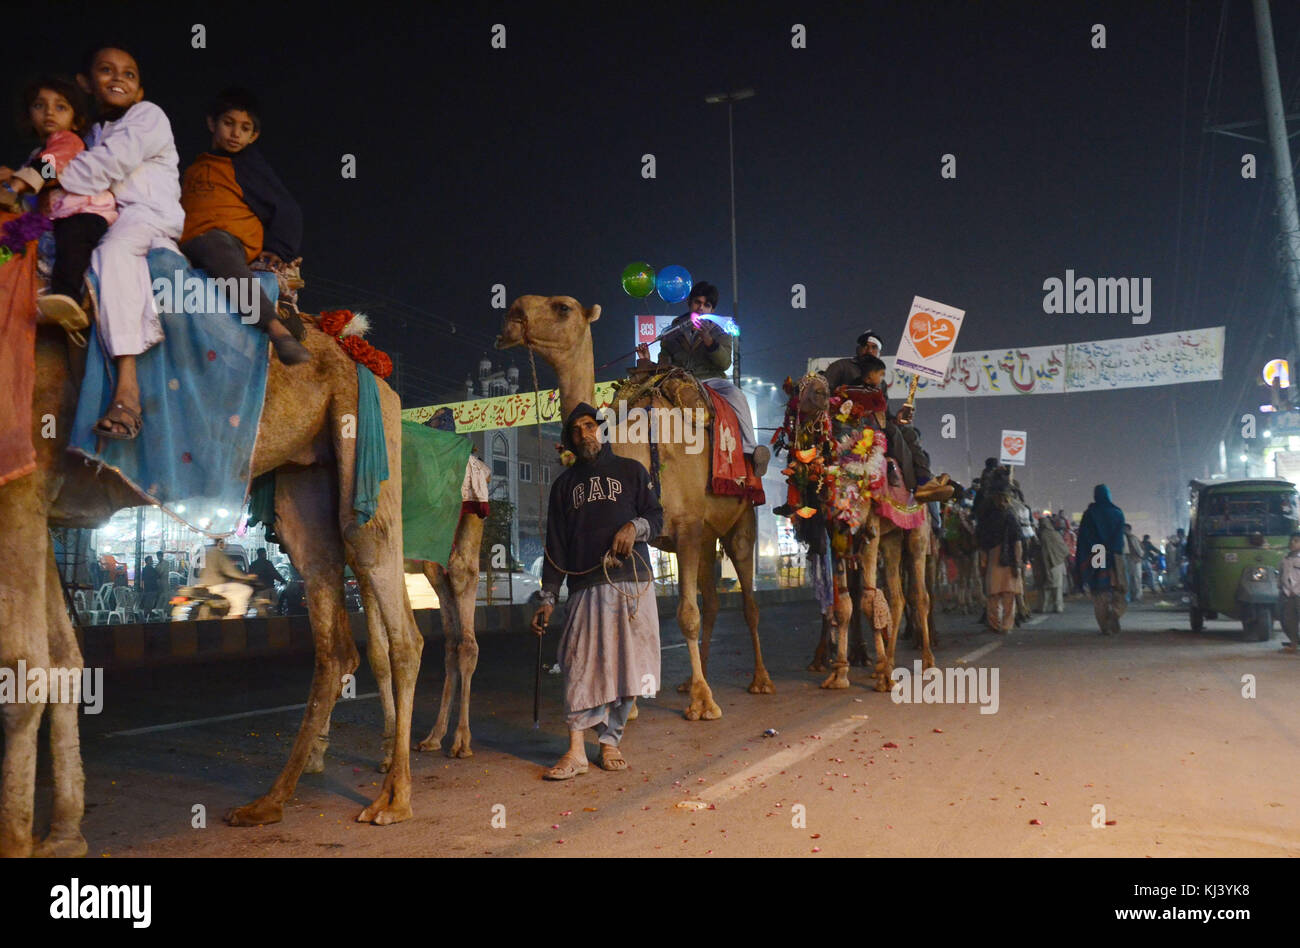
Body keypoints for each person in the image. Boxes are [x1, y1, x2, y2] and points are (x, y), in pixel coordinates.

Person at [58, 45, 185, 440]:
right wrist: (25, 178)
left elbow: (106, 165)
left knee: (110, 253)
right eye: (106, 70)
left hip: (145, 217)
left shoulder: (148, 116)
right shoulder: (86, 134)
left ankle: (127, 391)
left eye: (129, 74)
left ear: (140, 90)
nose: (118, 79)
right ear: (86, 83)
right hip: (100, 215)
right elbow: (50, 158)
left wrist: (44, 181)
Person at [532, 402, 664, 779]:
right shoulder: (564, 487)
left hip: (631, 586)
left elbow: (657, 517)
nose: (584, 434)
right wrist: (547, 598)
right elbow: (555, 547)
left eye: (590, 426)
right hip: (584, 587)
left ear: (601, 430)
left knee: (628, 668)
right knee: (578, 664)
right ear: (569, 441)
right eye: (576, 431)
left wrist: (632, 528)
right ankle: (575, 751)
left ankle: (610, 742)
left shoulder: (632, 471)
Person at [179, 87, 310, 365]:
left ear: (254, 136)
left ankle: (275, 328)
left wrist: (279, 249)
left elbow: (286, 208)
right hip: (188, 244)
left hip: (226, 241)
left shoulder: (247, 165)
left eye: (245, 128)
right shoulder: (194, 169)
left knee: (215, 245)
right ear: (212, 123)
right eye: (228, 124)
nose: (235, 133)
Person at [0, 76, 117, 328]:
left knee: (72, 242)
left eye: (60, 107)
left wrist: (13, 186)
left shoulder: (67, 141)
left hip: (85, 213)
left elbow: (49, 165)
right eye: (39, 106)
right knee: (15, 240)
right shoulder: (34, 156)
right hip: (53, 220)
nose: (49, 113)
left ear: (77, 121)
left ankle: (67, 297)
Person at [820, 333, 953, 503]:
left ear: (879, 353)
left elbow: (885, 412)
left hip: (875, 423)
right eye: (866, 346)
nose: (869, 350)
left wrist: (897, 418)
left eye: (874, 347)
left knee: (909, 432)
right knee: (894, 433)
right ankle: (914, 486)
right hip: (847, 424)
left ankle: (924, 481)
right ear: (858, 348)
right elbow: (823, 392)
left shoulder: (880, 380)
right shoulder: (842, 367)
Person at [654, 281, 767, 476]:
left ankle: (750, 448)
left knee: (736, 394)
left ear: (712, 308)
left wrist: (708, 341)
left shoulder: (721, 328)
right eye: (697, 302)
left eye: (706, 305)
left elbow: (724, 364)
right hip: (679, 381)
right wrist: (650, 360)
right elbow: (664, 359)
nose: (701, 308)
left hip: (710, 380)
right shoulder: (673, 329)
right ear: (689, 303)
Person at [1076, 484, 1128, 635]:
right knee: (1121, 589)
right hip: (1115, 555)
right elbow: (1120, 539)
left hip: (1096, 554)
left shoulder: (1089, 514)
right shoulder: (1118, 513)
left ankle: (1105, 627)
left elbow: (1083, 539)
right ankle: (1116, 613)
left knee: (1100, 593)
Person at [976, 489, 1022, 633]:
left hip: (992, 558)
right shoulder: (1011, 516)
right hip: (1009, 558)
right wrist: (1018, 560)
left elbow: (982, 543)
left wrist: (983, 564)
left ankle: (995, 624)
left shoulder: (986, 518)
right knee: (1009, 595)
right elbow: (1018, 541)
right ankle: (1007, 625)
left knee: (993, 596)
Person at [198, 541, 257, 619]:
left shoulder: (207, 554)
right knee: (246, 590)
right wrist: (247, 577)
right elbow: (230, 571)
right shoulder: (218, 554)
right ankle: (234, 616)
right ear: (220, 544)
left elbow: (200, 572)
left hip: (206, 586)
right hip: (217, 586)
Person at [1037, 516, 1068, 613]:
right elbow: (1065, 550)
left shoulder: (1042, 536)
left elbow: (1042, 552)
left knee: (1044, 588)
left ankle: (1042, 607)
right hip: (1058, 563)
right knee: (1057, 587)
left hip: (1045, 564)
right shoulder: (1056, 534)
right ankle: (1058, 607)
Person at [1277, 532, 1300, 652]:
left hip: (1298, 594)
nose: (1292, 543)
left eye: (1296, 541)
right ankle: (1294, 644)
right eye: (1291, 540)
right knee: (1288, 621)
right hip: (1287, 594)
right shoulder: (1285, 559)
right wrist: (1280, 587)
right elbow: (1282, 575)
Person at [1123, 523, 1142, 602]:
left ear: (1128, 529)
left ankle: (1137, 595)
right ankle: (1131, 595)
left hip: (1134, 559)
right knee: (1129, 578)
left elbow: (1138, 549)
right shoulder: (1123, 537)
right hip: (1127, 559)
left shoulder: (1133, 538)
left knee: (1136, 578)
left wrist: (1139, 557)